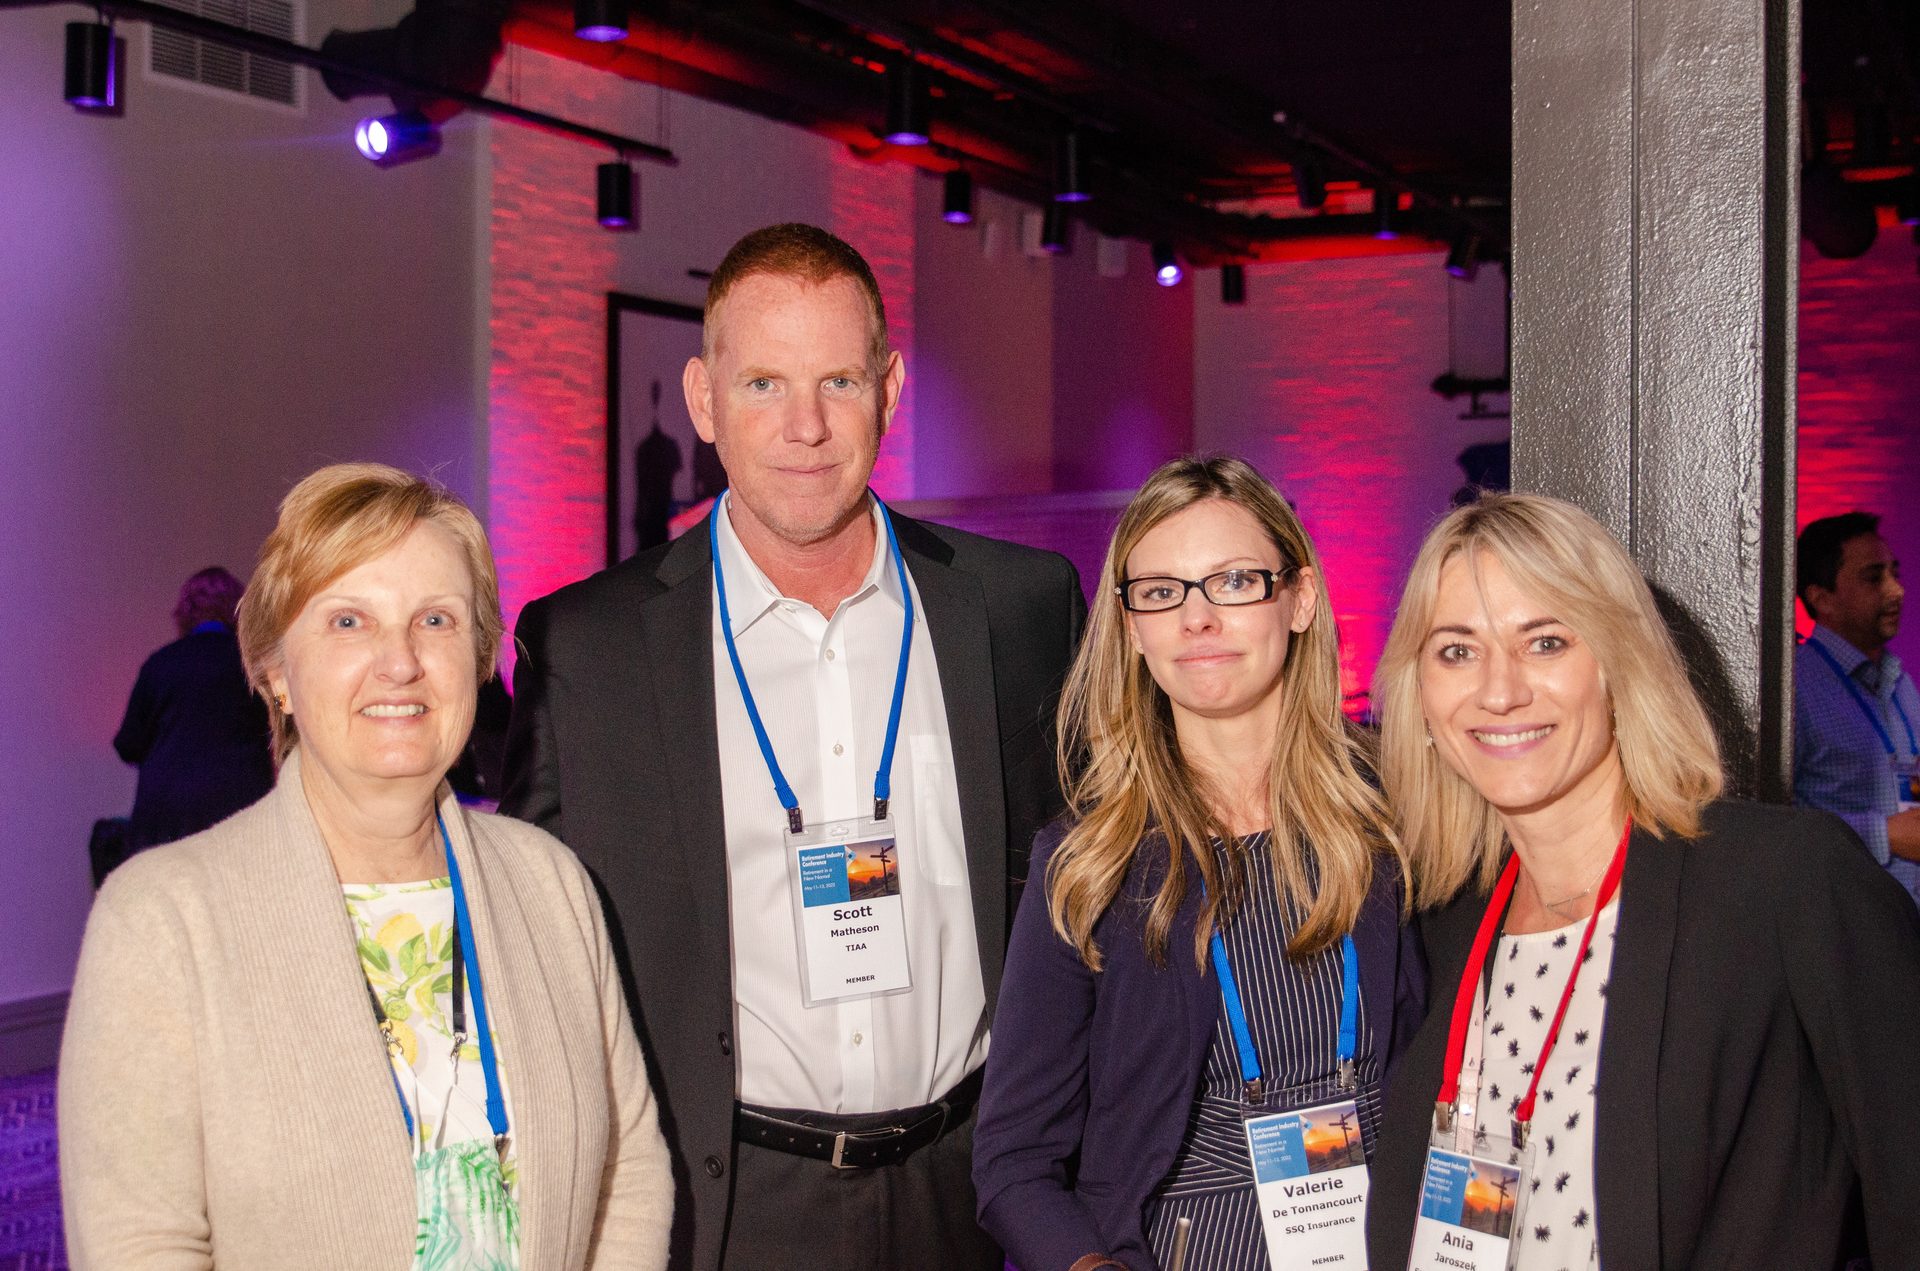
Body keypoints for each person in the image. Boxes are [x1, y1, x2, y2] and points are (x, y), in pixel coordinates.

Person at [501, 223, 1086, 1271]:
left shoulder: (1021, 608)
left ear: (891, 388)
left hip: (972, 1193)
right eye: (764, 382)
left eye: (839, 381)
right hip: (725, 1207)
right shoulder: (587, 648)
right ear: (701, 397)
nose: (805, 426)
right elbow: (535, 954)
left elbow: (1089, 894)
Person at [61, 463, 674, 1270]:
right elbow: (141, 1244)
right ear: (277, 671)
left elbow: (627, 1168)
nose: (400, 661)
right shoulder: (163, 921)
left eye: (436, 620)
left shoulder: (552, 884)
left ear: (480, 658)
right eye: (349, 621)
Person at [1364, 493, 1920, 1270]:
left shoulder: (1784, 880)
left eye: (1546, 641)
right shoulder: (1445, 922)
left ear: (1620, 663)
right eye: (1457, 650)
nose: (1499, 690)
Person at [972, 455, 1427, 1271]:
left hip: (1386, 1234)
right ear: (1132, 628)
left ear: (1299, 599)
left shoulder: (1398, 818)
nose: (1197, 618)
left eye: (1233, 582)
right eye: (1161, 591)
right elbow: (1012, 1162)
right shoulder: (1089, 863)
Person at [1792, 511, 1920, 907]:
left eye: (1894, 573)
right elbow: (1772, 820)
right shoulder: (1797, 686)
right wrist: (1885, 834)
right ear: (1821, 597)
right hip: (1845, 927)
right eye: (1873, 577)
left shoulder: (1901, 681)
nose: (1896, 590)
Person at [112, 567, 274, 856]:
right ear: (238, 611)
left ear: (184, 613)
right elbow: (280, 734)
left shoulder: (161, 664)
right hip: (239, 807)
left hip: (166, 816)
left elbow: (128, 745)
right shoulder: (254, 667)